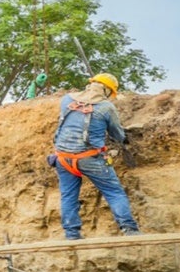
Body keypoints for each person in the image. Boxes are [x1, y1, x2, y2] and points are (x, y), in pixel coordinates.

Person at [49, 73, 140, 240]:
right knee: (114, 192)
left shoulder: (67, 100)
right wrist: (125, 138)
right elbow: (117, 134)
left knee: (68, 195)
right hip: (90, 157)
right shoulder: (106, 107)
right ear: (106, 90)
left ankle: (72, 234)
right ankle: (129, 228)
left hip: (62, 157)